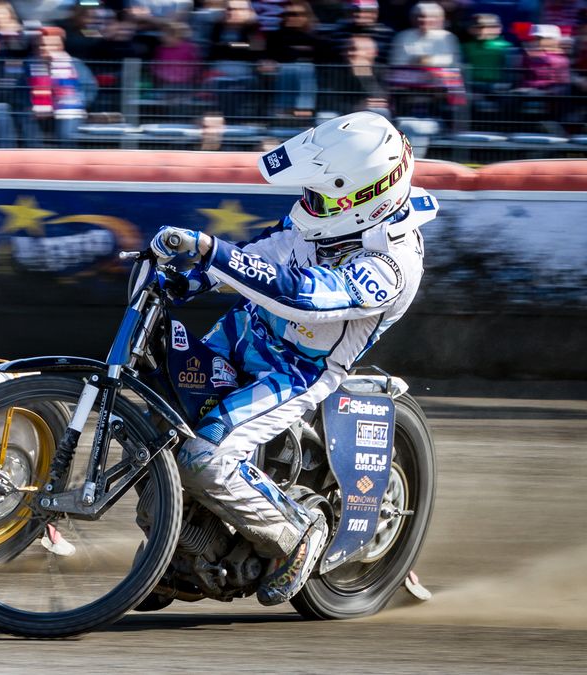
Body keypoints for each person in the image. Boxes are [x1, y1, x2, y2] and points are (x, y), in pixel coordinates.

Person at [151, 111, 434, 605]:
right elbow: (268, 251)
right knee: (156, 416)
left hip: (297, 371)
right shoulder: (324, 217)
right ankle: (180, 545)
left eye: (321, 195)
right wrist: (190, 275)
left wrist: (213, 252)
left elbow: (303, 297)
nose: (308, 203)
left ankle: (296, 534)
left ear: (363, 195)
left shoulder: (392, 263)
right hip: (240, 334)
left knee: (205, 457)